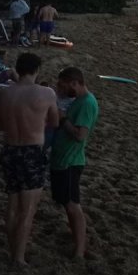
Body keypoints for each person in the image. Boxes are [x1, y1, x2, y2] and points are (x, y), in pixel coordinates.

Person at [0, 53, 59, 265]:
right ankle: (19, 258)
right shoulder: (46, 93)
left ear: (18, 69)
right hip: (31, 151)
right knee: (28, 209)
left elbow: (0, 125)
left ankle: (13, 248)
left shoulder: (4, 93)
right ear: (37, 70)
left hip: (9, 150)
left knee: (13, 203)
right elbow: (54, 122)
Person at [51, 66, 98, 259]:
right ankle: (76, 240)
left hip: (71, 161)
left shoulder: (86, 103)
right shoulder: (78, 100)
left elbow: (80, 135)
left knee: (72, 205)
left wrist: (63, 120)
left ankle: (79, 250)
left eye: (64, 86)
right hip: (62, 159)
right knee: (67, 203)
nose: (61, 90)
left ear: (75, 83)